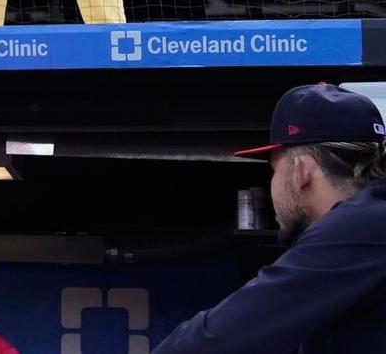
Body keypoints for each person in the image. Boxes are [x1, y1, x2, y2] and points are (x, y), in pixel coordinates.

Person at [153, 83, 386, 354]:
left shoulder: (359, 227)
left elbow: (218, 338)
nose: (271, 185)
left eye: (274, 169)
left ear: (301, 170)